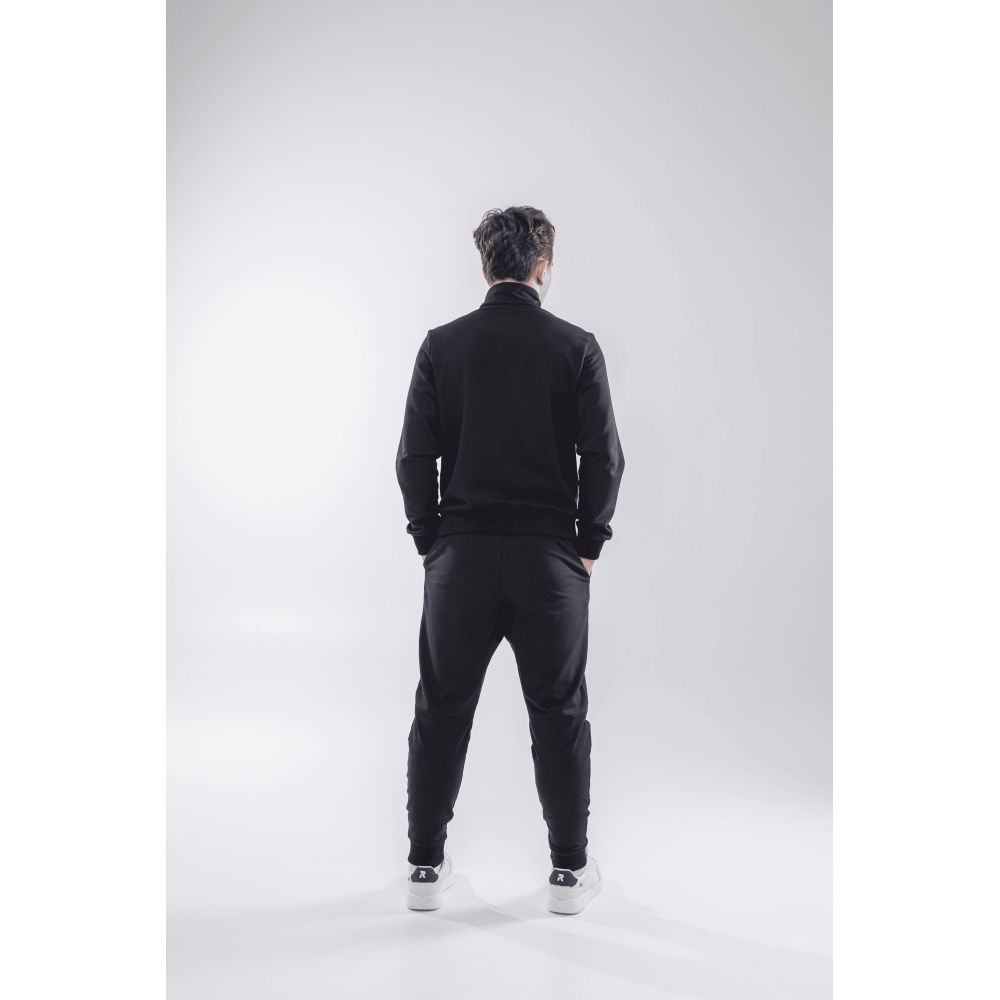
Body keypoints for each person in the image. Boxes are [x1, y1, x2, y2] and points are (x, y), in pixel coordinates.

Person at [395, 206, 624, 914]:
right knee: (558, 712)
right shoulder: (576, 347)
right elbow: (604, 458)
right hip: (549, 563)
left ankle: (424, 869)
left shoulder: (442, 346)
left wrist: (432, 540)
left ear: (484, 264)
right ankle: (568, 873)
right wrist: (587, 545)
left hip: (460, 559)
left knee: (442, 708)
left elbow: (414, 458)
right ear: (542, 266)